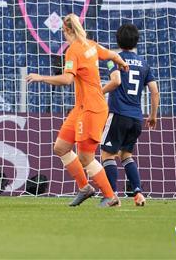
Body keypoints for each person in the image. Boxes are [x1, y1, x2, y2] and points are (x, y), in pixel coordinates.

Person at [25, 13, 128, 207]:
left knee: (85, 157)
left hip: (92, 109)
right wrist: (123, 64)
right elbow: (113, 54)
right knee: (61, 147)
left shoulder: (73, 50)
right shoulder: (91, 45)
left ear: (66, 31)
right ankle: (84, 188)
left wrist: (41, 77)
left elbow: (67, 79)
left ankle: (111, 196)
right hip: (81, 108)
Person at [99, 23, 159, 206]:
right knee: (126, 155)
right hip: (136, 118)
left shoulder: (113, 59)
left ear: (117, 39)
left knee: (107, 155)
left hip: (118, 114)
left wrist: (98, 92)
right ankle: (138, 193)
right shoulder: (144, 64)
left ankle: (112, 195)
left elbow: (115, 82)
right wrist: (153, 115)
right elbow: (155, 91)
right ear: (136, 41)